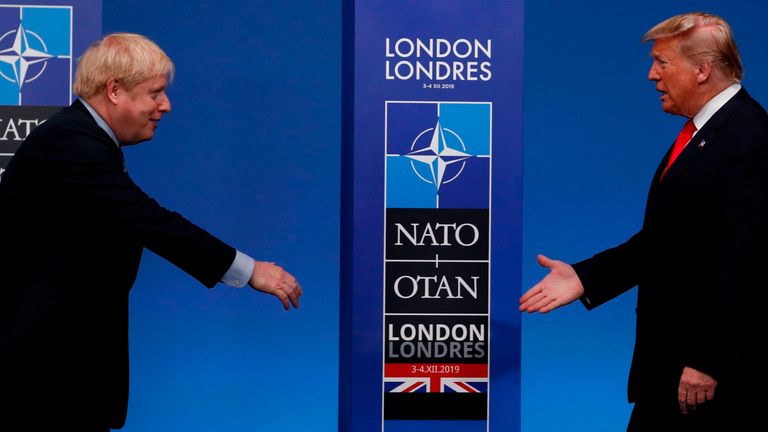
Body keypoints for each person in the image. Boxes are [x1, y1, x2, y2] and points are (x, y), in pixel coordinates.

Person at [0, 33, 303, 431]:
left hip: (60, 366)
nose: (166, 105)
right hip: (40, 373)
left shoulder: (83, 138)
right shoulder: (71, 143)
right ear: (114, 91)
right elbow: (148, 219)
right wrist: (249, 270)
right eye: (155, 93)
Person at [519, 12, 768, 432]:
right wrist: (584, 276)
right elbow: (667, 239)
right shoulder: (706, 133)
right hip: (671, 369)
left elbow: (744, 263)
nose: (652, 75)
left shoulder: (751, 139)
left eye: (663, 62)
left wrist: (706, 360)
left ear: (702, 69)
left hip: (707, 377)